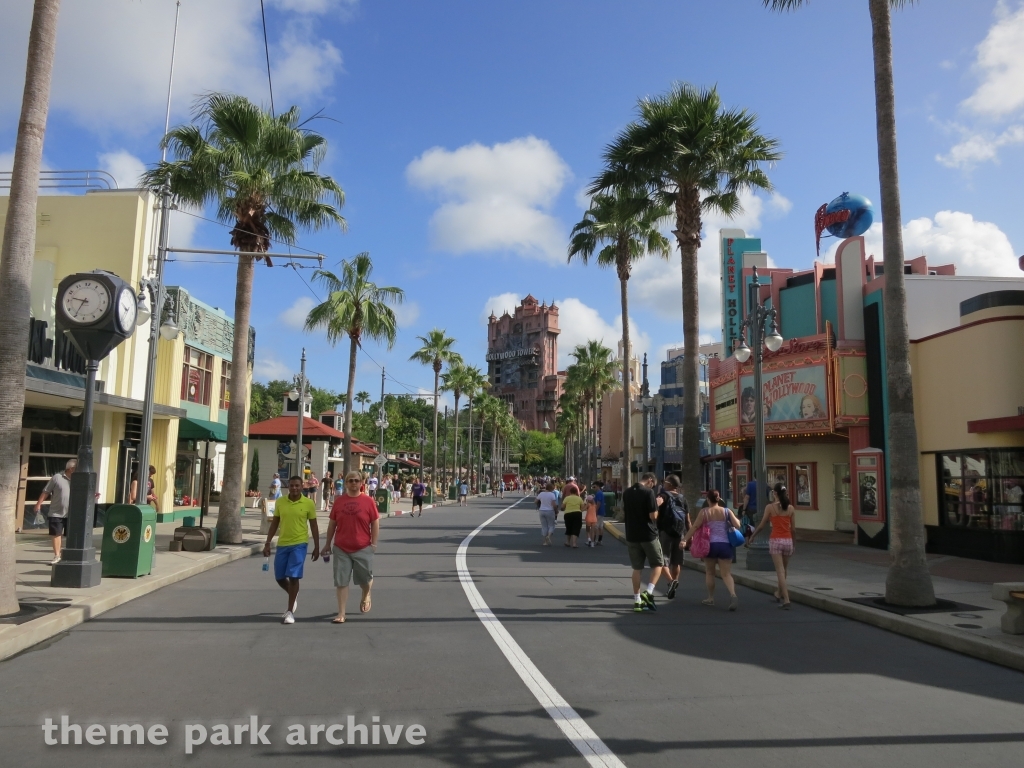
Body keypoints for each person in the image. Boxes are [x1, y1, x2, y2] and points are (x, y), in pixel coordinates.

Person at [262, 475, 320, 624]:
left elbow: (313, 525)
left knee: (293, 576)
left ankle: (289, 612)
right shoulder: (280, 502)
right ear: (288, 487)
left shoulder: (308, 503)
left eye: (297, 485)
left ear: (302, 487)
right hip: (282, 544)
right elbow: (275, 523)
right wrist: (267, 543)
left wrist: (317, 547)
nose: (294, 488)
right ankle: (293, 594)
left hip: (300, 544)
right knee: (280, 577)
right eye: (292, 485)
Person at [324, 470, 380, 623]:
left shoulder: (368, 501)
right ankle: (341, 613)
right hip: (341, 547)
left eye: (356, 480)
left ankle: (366, 593)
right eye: (350, 480)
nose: (353, 483)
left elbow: (375, 522)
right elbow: (332, 524)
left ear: (361, 483)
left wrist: (373, 544)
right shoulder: (339, 501)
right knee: (341, 581)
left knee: (365, 579)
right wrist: (327, 544)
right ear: (346, 483)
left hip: (363, 547)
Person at [683, 489, 741, 610]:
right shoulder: (726, 511)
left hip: (710, 546)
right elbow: (738, 525)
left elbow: (695, 526)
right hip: (725, 545)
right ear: (719, 499)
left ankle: (710, 598)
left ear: (708, 500)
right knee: (726, 574)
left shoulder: (704, 512)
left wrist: (685, 539)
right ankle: (733, 594)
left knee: (710, 572)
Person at [748, 482, 796, 609]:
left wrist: (753, 536)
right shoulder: (791, 508)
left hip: (776, 540)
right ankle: (779, 593)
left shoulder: (770, 508)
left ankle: (786, 600)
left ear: (774, 493)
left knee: (779, 571)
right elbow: (794, 529)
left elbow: (762, 525)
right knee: (784, 570)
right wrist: (794, 543)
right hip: (788, 541)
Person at [622, 473, 666, 612]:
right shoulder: (649, 493)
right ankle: (649, 592)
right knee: (658, 564)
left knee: (637, 568)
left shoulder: (627, 492)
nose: (653, 486)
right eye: (653, 484)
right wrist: (657, 505)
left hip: (631, 534)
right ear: (650, 481)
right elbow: (653, 516)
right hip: (648, 535)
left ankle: (637, 601)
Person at [34, 458, 76, 565]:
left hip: (72, 514)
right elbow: (46, 491)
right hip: (56, 512)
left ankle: (69, 556)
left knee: (71, 536)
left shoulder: (78, 480)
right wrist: (38, 504)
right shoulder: (57, 477)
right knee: (56, 534)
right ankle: (57, 555)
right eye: (77, 468)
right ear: (71, 469)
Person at [656, 475, 688, 600]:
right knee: (676, 562)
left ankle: (671, 583)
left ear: (669, 484)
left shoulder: (663, 495)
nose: (663, 484)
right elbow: (688, 520)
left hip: (666, 532)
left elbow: (656, 505)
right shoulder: (682, 499)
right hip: (680, 533)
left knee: (662, 560)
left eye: (665, 482)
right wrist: (688, 537)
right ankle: (675, 583)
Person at [560, 483, 584, 548]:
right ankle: (574, 543)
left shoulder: (567, 498)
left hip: (568, 514)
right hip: (577, 514)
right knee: (576, 528)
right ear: (576, 492)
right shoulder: (579, 499)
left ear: (570, 492)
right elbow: (582, 507)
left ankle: (568, 542)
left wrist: (562, 509)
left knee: (569, 527)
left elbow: (562, 507)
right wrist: (579, 511)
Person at [593, 480, 606, 545]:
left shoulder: (598, 493)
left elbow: (598, 503)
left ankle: (594, 540)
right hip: (602, 512)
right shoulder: (601, 493)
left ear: (598, 486)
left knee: (596, 526)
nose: (594, 488)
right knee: (600, 526)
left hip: (598, 512)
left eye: (594, 487)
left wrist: (595, 511)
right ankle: (599, 540)